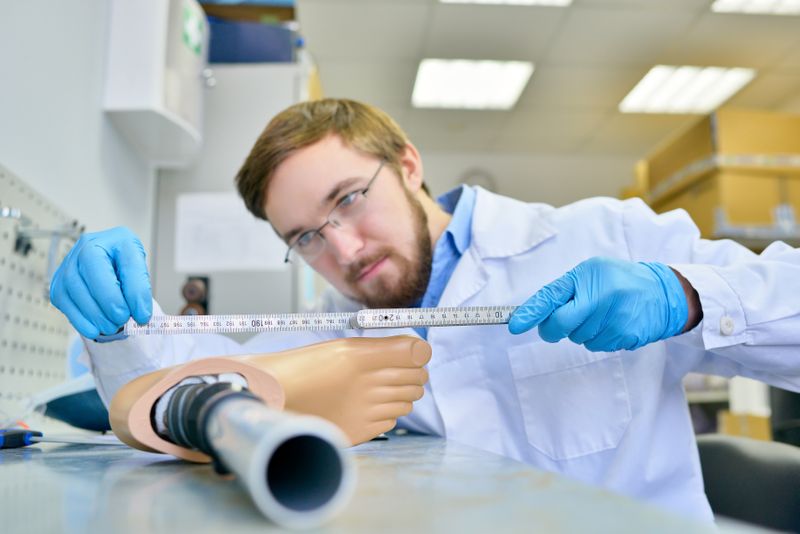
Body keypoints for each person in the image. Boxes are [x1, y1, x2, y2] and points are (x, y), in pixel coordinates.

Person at [51, 99, 800, 521]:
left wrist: (691, 297)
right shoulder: (335, 321)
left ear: (408, 164)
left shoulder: (603, 237)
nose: (341, 248)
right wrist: (116, 321)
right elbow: (181, 389)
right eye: (306, 236)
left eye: (348, 199)